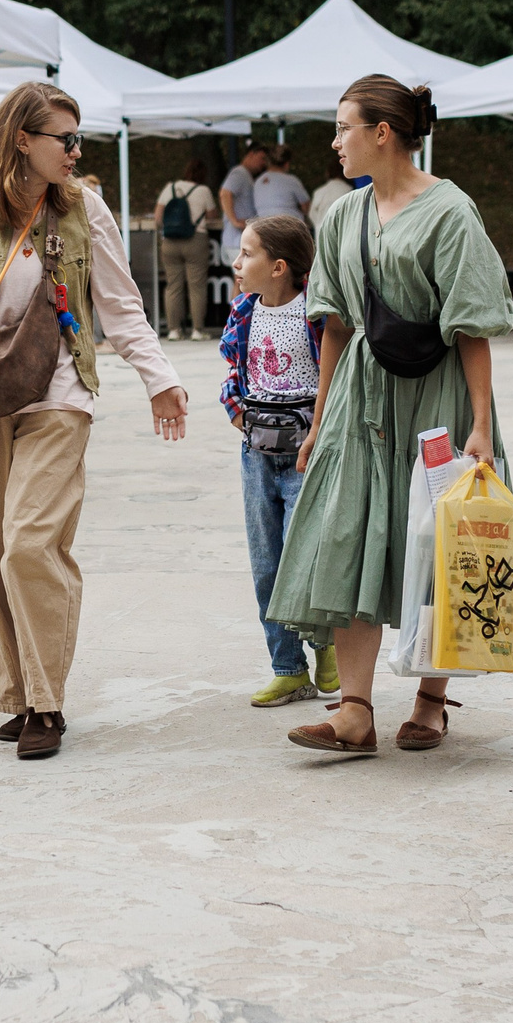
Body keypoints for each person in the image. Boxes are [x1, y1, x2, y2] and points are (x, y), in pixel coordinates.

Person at [0, 82, 189, 761]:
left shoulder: (85, 207)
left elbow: (120, 305)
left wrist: (160, 378)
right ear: (22, 139)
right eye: (66, 138)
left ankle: (48, 701)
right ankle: (20, 693)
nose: (76, 150)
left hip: (62, 388)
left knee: (29, 542)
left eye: (78, 137)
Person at [268, 76, 509, 758]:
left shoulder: (453, 211)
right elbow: (336, 325)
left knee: (438, 542)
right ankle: (354, 710)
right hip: (361, 397)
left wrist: (482, 426)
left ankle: (431, 699)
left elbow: (473, 328)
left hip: (439, 395)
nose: (335, 141)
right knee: (348, 535)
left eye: (344, 127)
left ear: (382, 132)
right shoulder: (343, 216)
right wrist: (318, 421)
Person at [219, 214, 336, 706]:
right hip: (256, 454)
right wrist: (236, 412)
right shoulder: (243, 311)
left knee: (302, 559)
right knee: (266, 563)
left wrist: (319, 433)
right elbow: (232, 369)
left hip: (306, 454)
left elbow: (337, 376)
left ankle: (326, 642)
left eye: (247, 253)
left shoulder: (316, 315)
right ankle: (287, 668)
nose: (236, 261)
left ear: (280, 267)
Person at [154, 158, 217, 340]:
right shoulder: (203, 191)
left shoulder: (170, 188)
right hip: (195, 240)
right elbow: (212, 216)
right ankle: (197, 330)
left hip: (170, 241)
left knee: (173, 286)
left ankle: (174, 330)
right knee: (196, 286)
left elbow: (158, 217)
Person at [218, 143, 269, 264]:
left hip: (237, 240)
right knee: (243, 280)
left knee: (242, 280)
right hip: (236, 240)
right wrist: (234, 221)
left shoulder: (246, 175)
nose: (264, 163)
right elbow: (224, 193)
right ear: (251, 154)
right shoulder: (239, 173)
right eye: (262, 158)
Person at [251, 145, 312, 225]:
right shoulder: (292, 180)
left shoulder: (258, 182)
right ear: (287, 164)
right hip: (289, 228)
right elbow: (306, 207)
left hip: (264, 229)